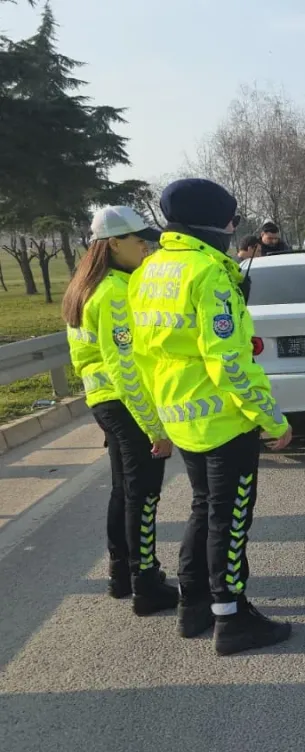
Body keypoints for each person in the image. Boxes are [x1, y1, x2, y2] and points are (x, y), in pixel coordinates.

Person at [129, 178, 293, 656]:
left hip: (181, 417)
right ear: (216, 224)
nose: (233, 228)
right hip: (224, 420)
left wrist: (155, 423)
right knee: (230, 519)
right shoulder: (209, 274)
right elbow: (229, 362)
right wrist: (272, 419)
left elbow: (140, 358)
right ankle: (232, 618)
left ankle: (194, 606)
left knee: (203, 508)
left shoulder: (147, 271)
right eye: (231, 220)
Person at [62, 206, 178, 616]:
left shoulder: (88, 285)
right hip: (124, 403)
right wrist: (155, 428)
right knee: (144, 493)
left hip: (104, 402)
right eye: (139, 240)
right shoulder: (113, 292)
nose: (146, 247)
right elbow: (125, 368)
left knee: (123, 490)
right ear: (113, 244)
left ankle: (122, 575)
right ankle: (146, 583)